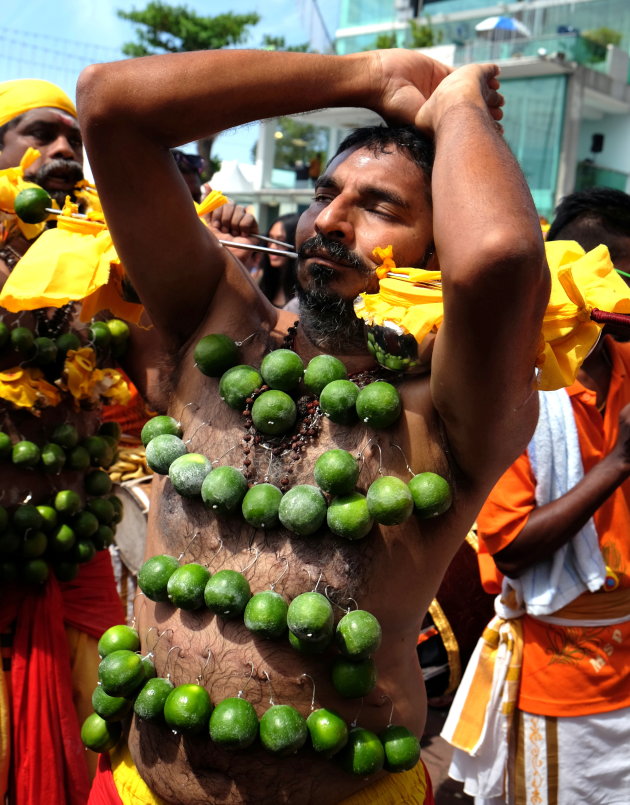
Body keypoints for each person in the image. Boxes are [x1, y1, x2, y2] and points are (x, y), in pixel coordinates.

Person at [78, 48, 548, 804]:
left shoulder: (455, 407)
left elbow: (496, 257)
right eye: (326, 193)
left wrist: (457, 102)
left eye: (380, 208)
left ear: (434, 250)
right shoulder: (219, 322)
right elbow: (112, 106)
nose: (330, 220)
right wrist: (370, 78)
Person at [443, 188, 630, 804]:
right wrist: (620, 463)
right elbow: (512, 547)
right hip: (558, 675)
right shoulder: (518, 387)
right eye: (605, 276)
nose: (617, 297)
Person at [0, 79, 125, 803]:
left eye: (75, 140)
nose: (65, 151)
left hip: (77, 563)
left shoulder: (93, 260)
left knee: (101, 759)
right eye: (41, 134)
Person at [258, 211, 301, 309]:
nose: (272, 247)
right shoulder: (260, 279)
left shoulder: (304, 294)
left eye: (281, 241)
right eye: (271, 239)